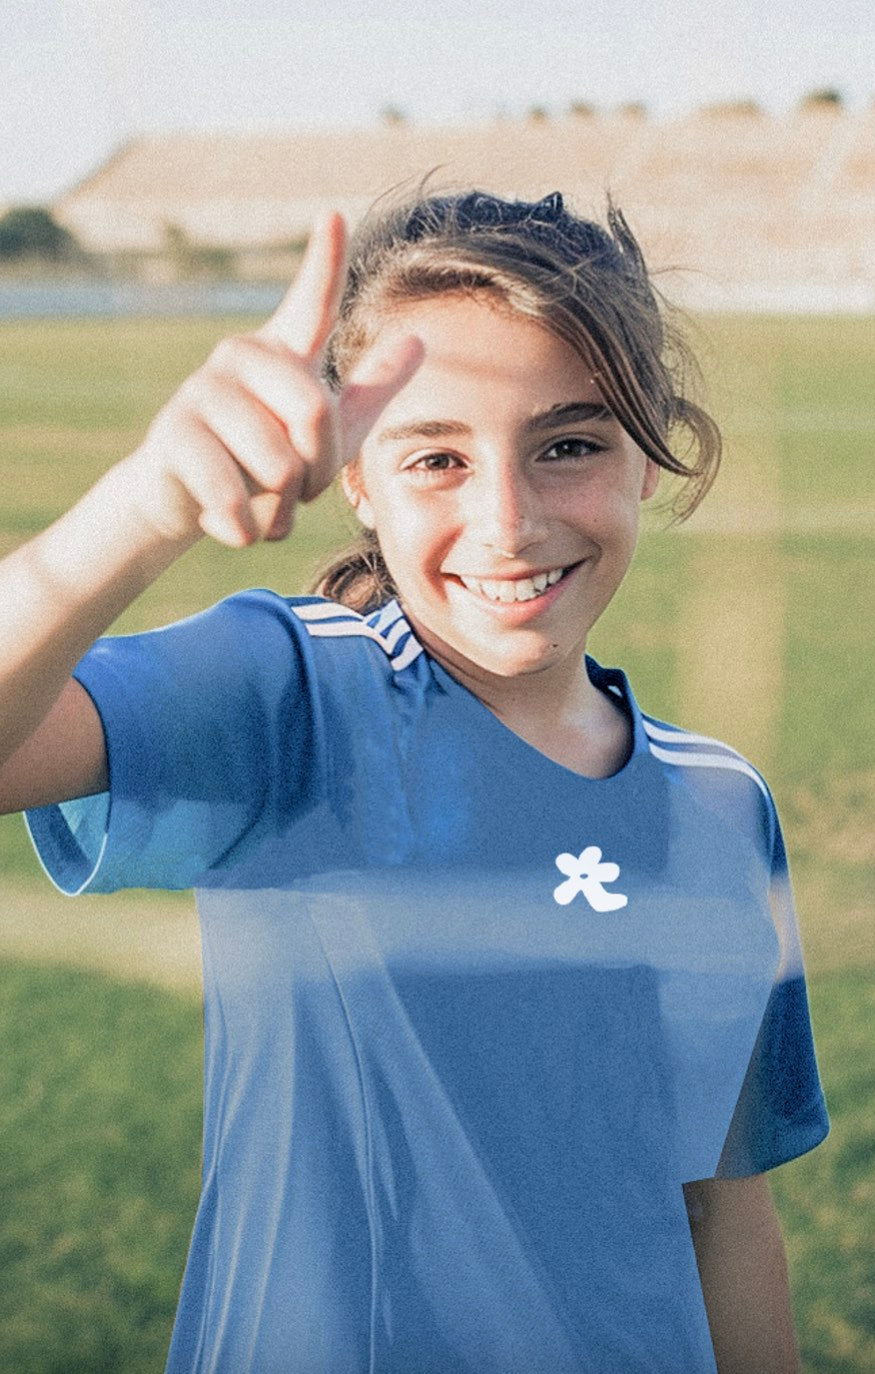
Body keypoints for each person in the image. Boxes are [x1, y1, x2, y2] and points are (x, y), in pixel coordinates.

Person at [0, 189, 829, 1374]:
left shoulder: (717, 808)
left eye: (570, 445)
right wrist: (144, 506)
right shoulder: (289, 698)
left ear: (649, 455)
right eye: (437, 457)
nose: (507, 519)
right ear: (358, 481)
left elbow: (722, 1208)